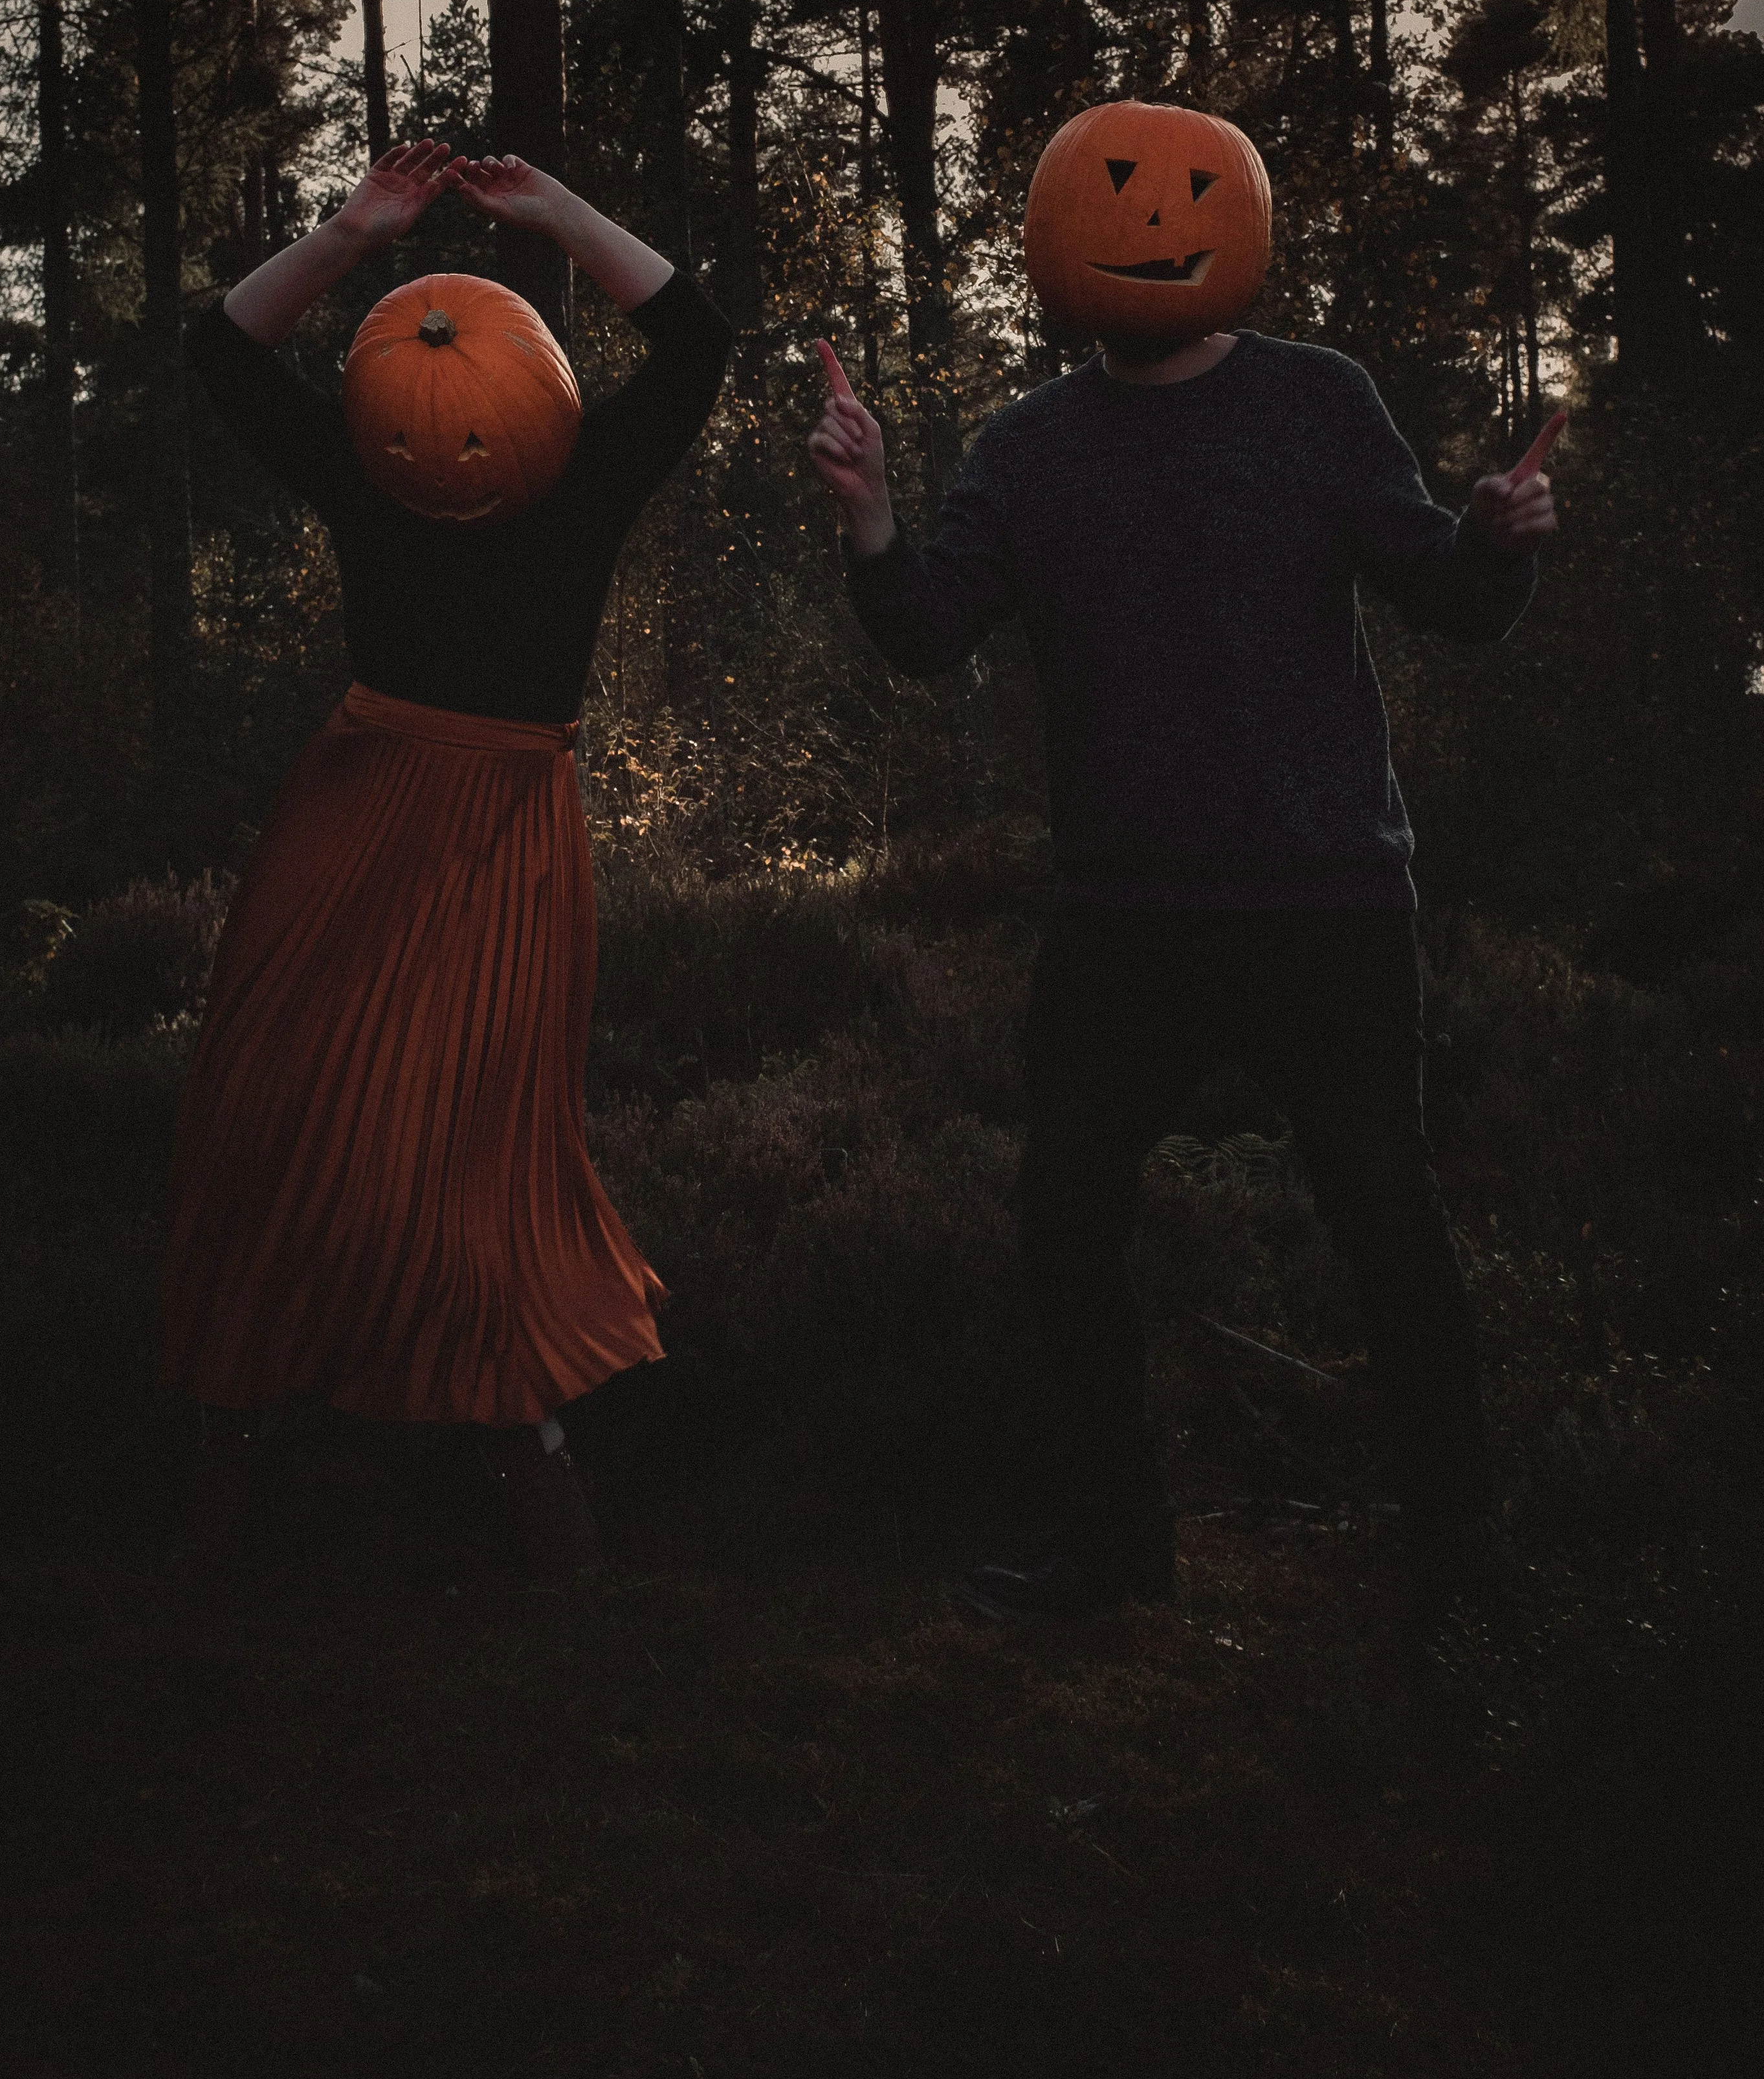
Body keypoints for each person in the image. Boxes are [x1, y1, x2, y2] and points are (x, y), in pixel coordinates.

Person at [806, 265, 1557, 1622]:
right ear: (1059, 256)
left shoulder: (1317, 402)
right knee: (1066, 1215)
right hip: (1124, 913)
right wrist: (868, 516)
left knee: (1387, 1216)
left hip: (1320, 895)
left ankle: (1460, 1574)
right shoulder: (1029, 443)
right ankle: (1110, 1558)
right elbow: (926, 630)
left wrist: (1495, 542)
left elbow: (1444, 600)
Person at [159, 145, 731, 1575]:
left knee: (359, 1138)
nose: (443, 457)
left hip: (389, 823)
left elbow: (220, 347)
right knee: (361, 1136)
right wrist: (555, 214)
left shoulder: (365, 471)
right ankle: (388, 1453)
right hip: (440, 833)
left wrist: (354, 236)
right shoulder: (579, 481)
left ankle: (432, 1446)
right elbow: (695, 340)